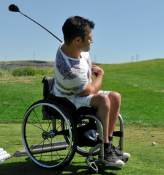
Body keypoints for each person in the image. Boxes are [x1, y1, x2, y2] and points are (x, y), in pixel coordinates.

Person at [51, 16, 130, 167]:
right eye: (90, 38)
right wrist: (101, 74)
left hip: (80, 88)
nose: (92, 41)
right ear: (78, 40)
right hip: (69, 98)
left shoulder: (71, 46)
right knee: (103, 100)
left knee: (115, 97)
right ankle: (105, 150)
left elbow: (87, 77)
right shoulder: (70, 71)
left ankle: (108, 145)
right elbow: (91, 89)